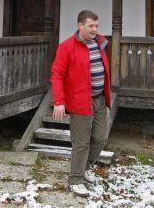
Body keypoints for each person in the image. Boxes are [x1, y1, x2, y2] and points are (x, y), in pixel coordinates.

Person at [50, 10, 112, 197]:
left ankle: (83, 169)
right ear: (80, 26)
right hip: (80, 101)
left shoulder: (100, 43)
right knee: (81, 143)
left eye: (96, 26)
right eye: (91, 26)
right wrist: (59, 102)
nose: (95, 29)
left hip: (100, 99)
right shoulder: (66, 47)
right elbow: (57, 75)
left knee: (100, 138)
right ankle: (75, 180)